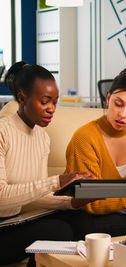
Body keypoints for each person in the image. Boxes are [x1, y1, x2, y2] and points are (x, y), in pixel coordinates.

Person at [0, 61, 94, 266]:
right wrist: (57, 181)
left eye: (55, 102)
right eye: (45, 102)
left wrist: (71, 202)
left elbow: (34, 198)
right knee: (58, 231)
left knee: (83, 222)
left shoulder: (42, 138)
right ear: (23, 98)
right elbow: (1, 199)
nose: (52, 109)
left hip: (17, 220)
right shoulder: (2, 131)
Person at [58, 68, 126, 239]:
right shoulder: (85, 137)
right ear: (108, 99)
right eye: (118, 103)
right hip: (84, 217)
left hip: (123, 215)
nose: (122, 114)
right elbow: (92, 199)